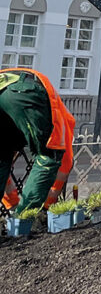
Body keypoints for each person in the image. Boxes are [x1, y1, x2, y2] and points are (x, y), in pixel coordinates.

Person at [0, 68, 75, 215]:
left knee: (2, 158)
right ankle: (23, 222)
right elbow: (63, 164)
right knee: (49, 157)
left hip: (8, 87)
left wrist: (12, 204)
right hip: (25, 91)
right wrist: (47, 206)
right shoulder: (63, 121)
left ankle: (17, 218)